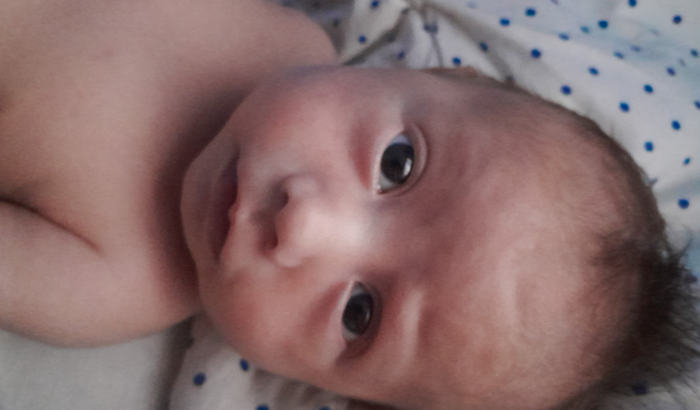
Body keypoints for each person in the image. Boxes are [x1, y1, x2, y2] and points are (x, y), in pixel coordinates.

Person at [0, 0, 696, 410]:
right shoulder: (290, 37)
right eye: (398, 164)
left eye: (358, 312)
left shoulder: (116, 283)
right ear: (441, 72)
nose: (303, 224)